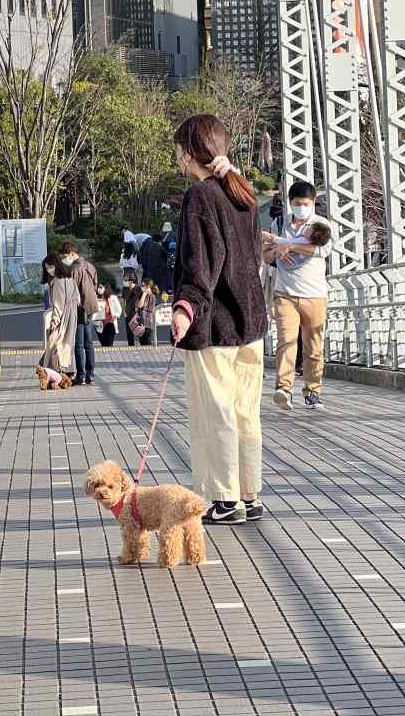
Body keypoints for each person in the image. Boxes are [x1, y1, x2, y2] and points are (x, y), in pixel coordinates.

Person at [169, 114, 267, 526]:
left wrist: (184, 307)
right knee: (245, 411)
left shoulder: (200, 196)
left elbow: (202, 263)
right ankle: (248, 493)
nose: (176, 157)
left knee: (216, 412)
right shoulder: (243, 194)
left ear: (192, 152)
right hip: (251, 322)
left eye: (178, 149)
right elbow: (250, 259)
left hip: (215, 325)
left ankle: (225, 499)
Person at [263, 180, 332, 413]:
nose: (301, 207)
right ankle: (284, 389)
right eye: (297, 204)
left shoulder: (321, 225)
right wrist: (277, 250)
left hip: (315, 294)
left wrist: (289, 246)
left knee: (314, 346)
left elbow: (319, 249)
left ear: (313, 203)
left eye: (306, 203)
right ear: (290, 204)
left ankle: (312, 391)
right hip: (285, 293)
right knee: (287, 341)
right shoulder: (279, 223)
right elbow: (265, 254)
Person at [59, 240, 100, 386]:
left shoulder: (74, 270)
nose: (64, 260)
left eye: (65, 256)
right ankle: (91, 375)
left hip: (79, 309)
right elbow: (95, 285)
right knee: (89, 343)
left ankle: (81, 376)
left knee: (78, 344)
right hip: (91, 307)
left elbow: (71, 291)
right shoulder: (90, 266)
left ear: (71, 254)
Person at [40, 253, 77, 380]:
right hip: (72, 315)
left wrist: (54, 321)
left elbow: (58, 304)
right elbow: (77, 298)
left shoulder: (57, 282)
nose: (49, 270)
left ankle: (53, 374)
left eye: (50, 267)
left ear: (56, 265)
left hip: (62, 318)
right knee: (67, 344)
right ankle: (69, 372)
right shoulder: (69, 278)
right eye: (47, 268)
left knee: (53, 343)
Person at [96, 282, 123, 347]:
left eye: (101, 287)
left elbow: (119, 308)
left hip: (110, 323)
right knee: (103, 344)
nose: (99, 289)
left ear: (106, 289)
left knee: (109, 345)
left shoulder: (112, 298)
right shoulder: (97, 298)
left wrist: (116, 315)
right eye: (98, 287)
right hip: (100, 325)